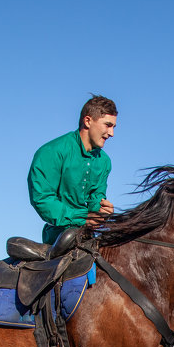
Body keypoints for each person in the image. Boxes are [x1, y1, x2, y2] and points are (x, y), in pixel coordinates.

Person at [28, 95, 117, 246]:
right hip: (57, 238)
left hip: (90, 236)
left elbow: (95, 197)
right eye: (107, 125)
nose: (111, 133)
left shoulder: (104, 161)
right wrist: (83, 218)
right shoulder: (52, 152)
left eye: (114, 127)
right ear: (88, 121)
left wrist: (102, 211)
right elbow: (43, 200)